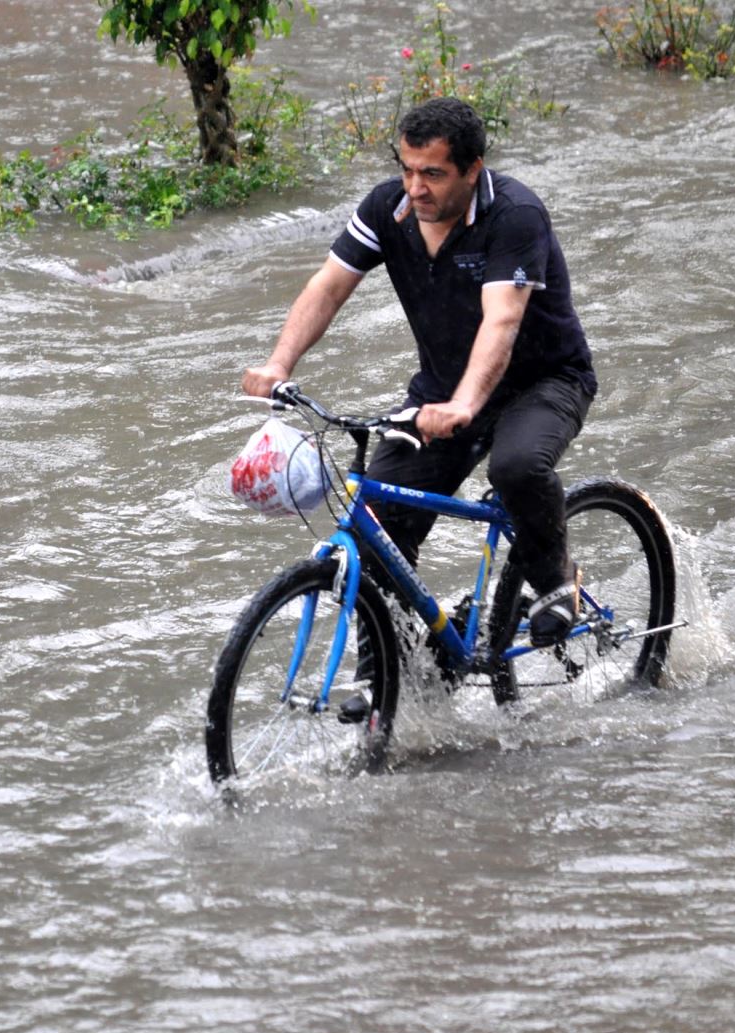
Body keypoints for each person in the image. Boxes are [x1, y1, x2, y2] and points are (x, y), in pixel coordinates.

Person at [241, 96, 597, 646]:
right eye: (406, 170)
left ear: (473, 169)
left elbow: (502, 320)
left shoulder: (514, 215)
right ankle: (385, 679)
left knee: (518, 465)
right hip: (440, 392)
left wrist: (465, 406)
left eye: (432, 173)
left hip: (544, 382)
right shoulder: (388, 209)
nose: (415, 188)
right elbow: (328, 288)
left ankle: (556, 582)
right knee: (378, 527)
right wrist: (278, 363)